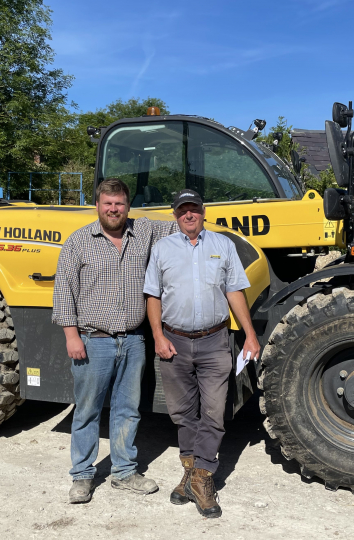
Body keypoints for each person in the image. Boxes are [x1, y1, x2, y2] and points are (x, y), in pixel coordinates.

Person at [52, 178, 178, 504]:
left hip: (134, 341)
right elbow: (64, 291)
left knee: (128, 410)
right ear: (97, 205)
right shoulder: (78, 241)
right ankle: (81, 476)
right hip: (93, 341)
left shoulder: (144, 232)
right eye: (107, 203)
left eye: (119, 203)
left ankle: (123, 472)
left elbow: (182, 225)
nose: (113, 209)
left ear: (128, 206)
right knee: (87, 411)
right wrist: (71, 336)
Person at [143, 189, 261, 518]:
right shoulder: (162, 249)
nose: (189, 215)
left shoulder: (223, 245)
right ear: (175, 215)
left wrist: (250, 334)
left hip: (214, 341)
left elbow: (234, 291)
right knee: (182, 414)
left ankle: (203, 476)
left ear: (204, 212)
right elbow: (153, 295)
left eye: (194, 209)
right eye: (183, 210)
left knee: (212, 412)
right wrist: (157, 336)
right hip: (174, 341)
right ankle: (191, 475)